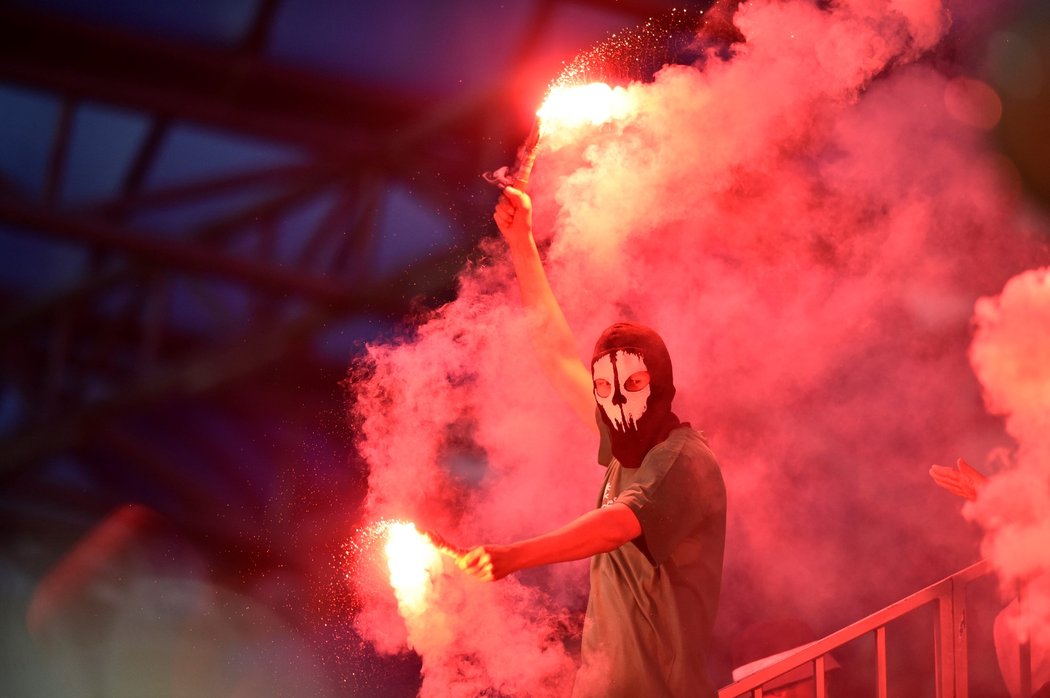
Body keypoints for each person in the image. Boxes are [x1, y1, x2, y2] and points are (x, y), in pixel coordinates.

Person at [458, 186, 727, 697]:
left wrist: (513, 557)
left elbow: (617, 525)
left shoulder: (684, 459)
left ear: (662, 383)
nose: (616, 401)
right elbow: (557, 357)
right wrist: (522, 243)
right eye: (604, 388)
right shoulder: (627, 446)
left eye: (633, 385)